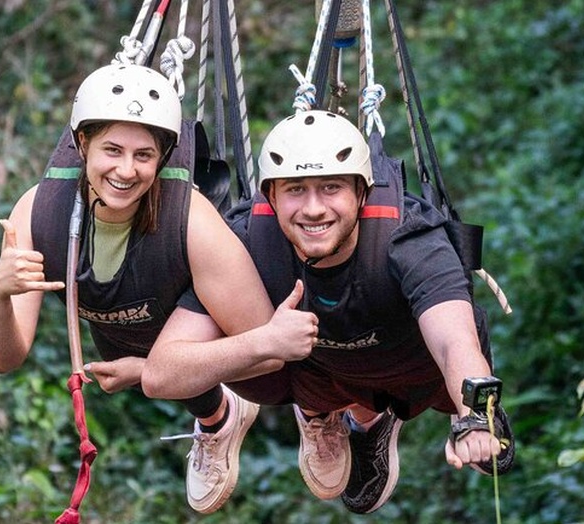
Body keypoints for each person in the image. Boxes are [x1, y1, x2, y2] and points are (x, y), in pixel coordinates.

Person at [0, 63, 318, 515]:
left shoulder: (192, 220)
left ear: (162, 158)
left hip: (194, 309)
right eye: (111, 150)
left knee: (178, 364)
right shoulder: (38, 213)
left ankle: (280, 412)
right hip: (121, 322)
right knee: (135, 353)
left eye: (143, 156)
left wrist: (154, 371)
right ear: (82, 145)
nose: (126, 170)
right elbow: (5, 358)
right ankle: (216, 415)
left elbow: (266, 350)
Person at [142, 110, 514, 514]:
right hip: (322, 374)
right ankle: (346, 416)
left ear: (361, 193)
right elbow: (161, 374)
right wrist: (262, 341)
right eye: (296, 190)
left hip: (410, 365)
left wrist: (475, 415)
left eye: (331, 188)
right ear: (271, 196)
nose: (314, 208)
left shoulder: (410, 237)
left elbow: (453, 338)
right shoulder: (248, 240)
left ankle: (375, 417)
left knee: (459, 370)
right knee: (257, 366)